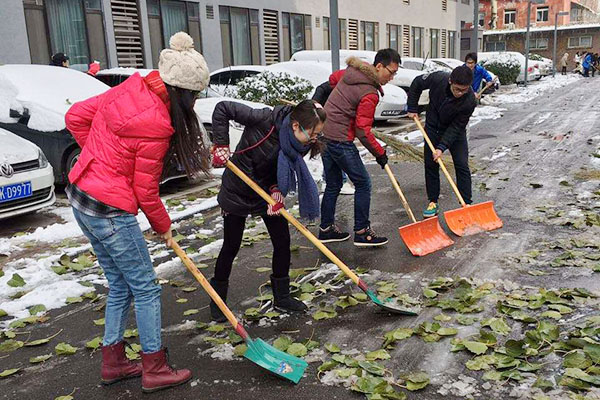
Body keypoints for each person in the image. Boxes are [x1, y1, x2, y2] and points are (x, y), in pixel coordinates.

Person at [65, 32, 210, 393]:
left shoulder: (128, 89)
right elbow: (146, 192)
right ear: (182, 91)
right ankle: (154, 367)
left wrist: (98, 160)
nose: (193, 103)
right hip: (109, 211)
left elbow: (75, 116)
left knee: (120, 284)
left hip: (81, 197)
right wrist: (163, 225)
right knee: (145, 288)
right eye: (193, 96)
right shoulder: (158, 124)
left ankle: (113, 363)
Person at [208, 99, 326, 322]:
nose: (314, 140)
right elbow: (223, 108)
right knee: (231, 245)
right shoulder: (264, 119)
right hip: (238, 188)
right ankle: (217, 300)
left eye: (316, 135)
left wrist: (275, 190)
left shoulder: (297, 143)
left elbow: (276, 169)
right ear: (295, 126)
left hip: (265, 190)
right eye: (312, 134)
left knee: (282, 242)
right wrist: (221, 144)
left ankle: (282, 297)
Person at [318, 48, 400, 247]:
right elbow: (363, 130)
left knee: (334, 183)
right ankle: (362, 232)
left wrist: (322, 102)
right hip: (340, 140)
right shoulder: (370, 93)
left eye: (395, 74)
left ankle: (326, 228)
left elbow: (331, 80)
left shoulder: (351, 72)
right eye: (390, 72)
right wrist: (380, 153)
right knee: (363, 183)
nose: (391, 78)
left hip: (324, 135)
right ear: (379, 66)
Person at [406, 66, 477, 218]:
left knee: (462, 164)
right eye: (457, 89)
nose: (460, 94)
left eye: (464, 90)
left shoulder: (470, 100)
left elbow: (457, 126)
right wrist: (412, 107)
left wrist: (442, 147)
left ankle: (466, 203)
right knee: (431, 164)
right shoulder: (438, 78)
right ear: (450, 81)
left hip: (455, 132)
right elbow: (417, 83)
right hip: (433, 127)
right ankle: (433, 201)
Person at [313, 79, 354, 195]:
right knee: (333, 154)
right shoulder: (327, 88)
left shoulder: (341, 88)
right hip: (324, 126)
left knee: (331, 155)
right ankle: (340, 181)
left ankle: (330, 180)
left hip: (330, 126)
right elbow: (316, 100)